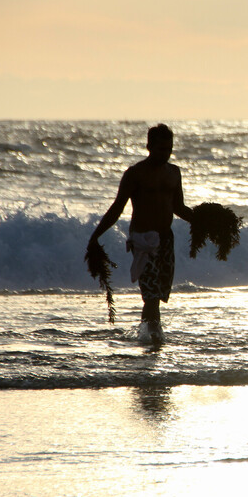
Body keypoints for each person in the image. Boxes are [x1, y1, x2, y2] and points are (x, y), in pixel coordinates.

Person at [88, 123, 194, 341]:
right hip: (143, 241)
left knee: (159, 294)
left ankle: (146, 337)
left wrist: (205, 220)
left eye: (169, 149)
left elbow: (179, 207)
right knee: (152, 295)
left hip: (166, 240)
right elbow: (117, 207)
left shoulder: (174, 173)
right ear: (149, 146)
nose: (165, 154)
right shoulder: (135, 174)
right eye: (160, 149)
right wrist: (95, 235)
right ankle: (154, 338)